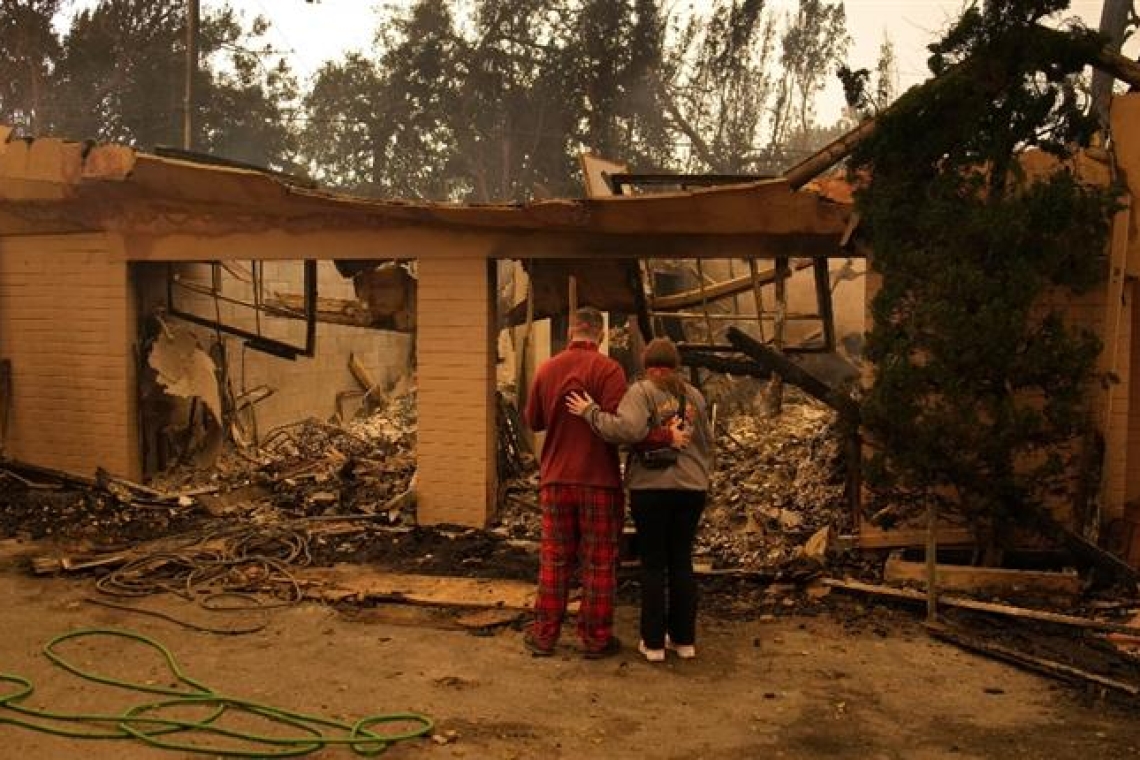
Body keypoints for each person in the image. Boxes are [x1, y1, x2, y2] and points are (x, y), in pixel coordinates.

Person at [522, 307, 677, 658]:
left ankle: (544, 636)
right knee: (600, 561)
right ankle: (595, 639)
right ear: (602, 335)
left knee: (554, 559)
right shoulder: (609, 370)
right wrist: (664, 436)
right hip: (599, 482)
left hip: (556, 480)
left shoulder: (547, 369)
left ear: (570, 333)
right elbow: (625, 429)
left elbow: (533, 421)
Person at [566, 337, 713, 663]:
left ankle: (653, 644)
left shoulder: (643, 391)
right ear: (675, 365)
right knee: (681, 562)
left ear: (648, 366)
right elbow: (707, 443)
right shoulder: (695, 396)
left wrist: (590, 412)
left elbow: (627, 430)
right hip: (692, 489)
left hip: (652, 489)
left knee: (653, 563)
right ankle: (684, 641)